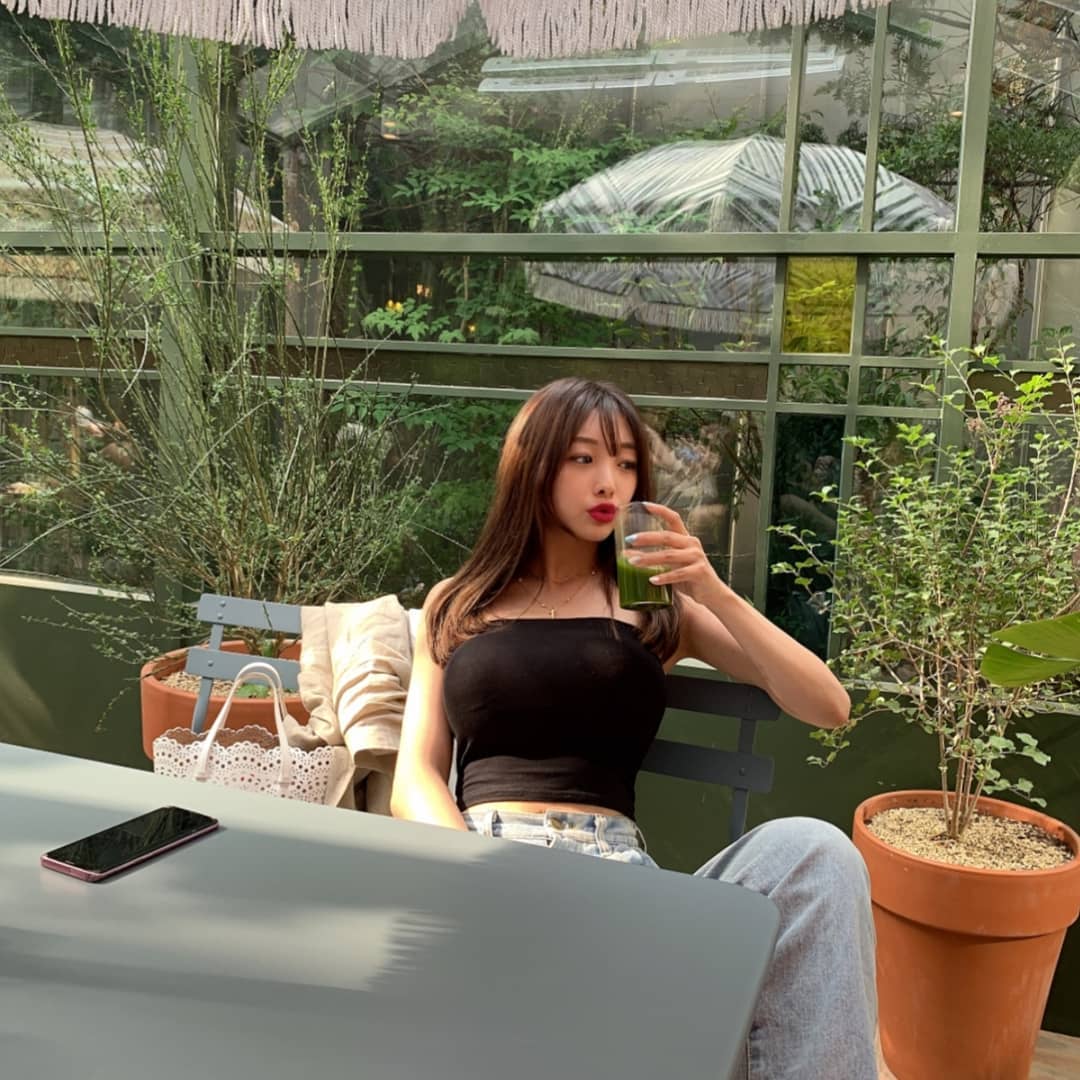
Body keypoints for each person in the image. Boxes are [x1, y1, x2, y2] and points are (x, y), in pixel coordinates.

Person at [390, 376, 877, 1080]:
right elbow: (416, 775)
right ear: (533, 465)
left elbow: (828, 705)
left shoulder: (653, 606)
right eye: (583, 458)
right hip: (489, 864)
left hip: (622, 884)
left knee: (818, 853)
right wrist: (476, 873)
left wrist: (710, 589)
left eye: (625, 463)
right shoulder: (458, 603)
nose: (608, 482)